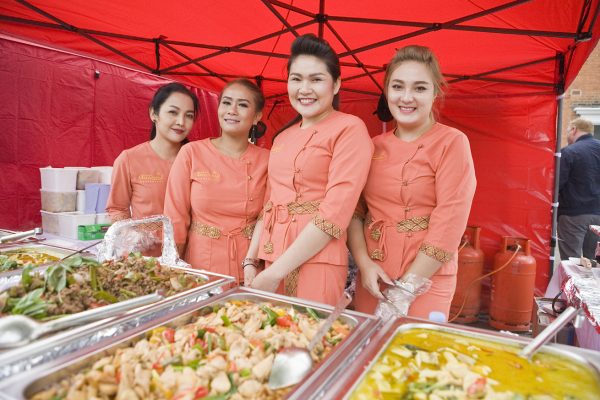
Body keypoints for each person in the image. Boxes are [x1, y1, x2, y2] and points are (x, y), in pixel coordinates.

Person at [244, 34, 374, 306]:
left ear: (336, 84)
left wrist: (277, 271)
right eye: (296, 79)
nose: (304, 88)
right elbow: (269, 205)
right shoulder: (282, 137)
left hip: (318, 261)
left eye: (316, 79)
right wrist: (250, 260)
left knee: (309, 341)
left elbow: (335, 213)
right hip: (269, 258)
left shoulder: (349, 129)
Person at [348, 45, 476, 320]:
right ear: (386, 91)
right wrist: (364, 263)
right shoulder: (371, 146)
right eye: (397, 87)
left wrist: (407, 288)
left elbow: (451, 219)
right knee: (368, 354)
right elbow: (354, 212)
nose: (406, 97)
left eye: (419, 88)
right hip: (374, 276)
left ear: (435, 93)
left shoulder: (452, 142)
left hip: (427, 278)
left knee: (415, 355)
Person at [164, 79, 269, 283]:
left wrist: (253, 262)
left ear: (256, 116)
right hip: (200, 263)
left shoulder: (268, 160)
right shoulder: (192, 153)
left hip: (250, 265)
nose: (232, 110)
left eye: (243, 105)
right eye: (227, 103)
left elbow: (270, 217)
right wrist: (172, 267)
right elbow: (174, 217)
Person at [106, 82, 199, 223]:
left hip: (190, 245)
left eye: (189, 115)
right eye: (173, 112)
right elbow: (117, 209)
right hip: (145, 244)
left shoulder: (198, 159)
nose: (181, 121)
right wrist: (132, 237)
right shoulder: (129, 159)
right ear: (153, 114)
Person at [558, 118, 600, 261]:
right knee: (594, 262)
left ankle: (573, 284)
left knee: (571, 262)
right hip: (598, 215)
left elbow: (558, 183)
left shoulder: (569, 152)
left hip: (573, 215)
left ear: (574, 129)